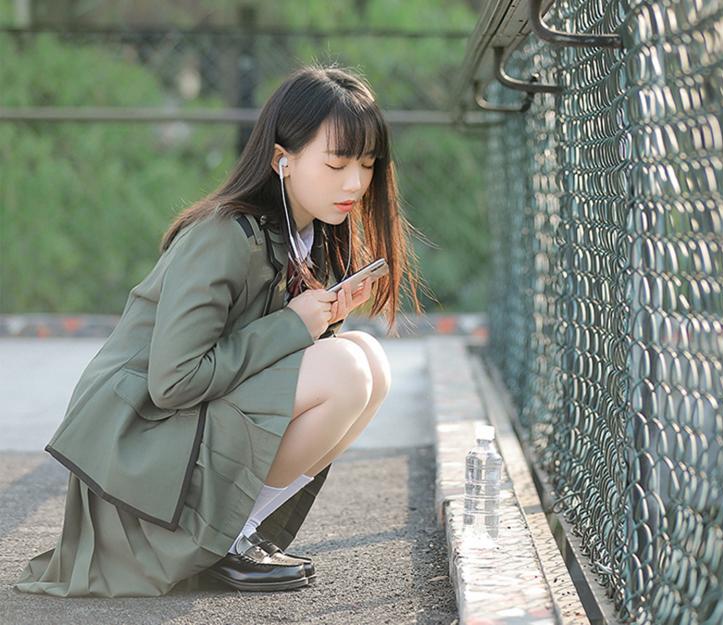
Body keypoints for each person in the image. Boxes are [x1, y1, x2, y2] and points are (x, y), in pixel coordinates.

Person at [12, 63, 423, 596]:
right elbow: (175, 381)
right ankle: (225, 540)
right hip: (139, 465)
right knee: (349, 368)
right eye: (338, 162)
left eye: (367, 165)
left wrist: (320, 317)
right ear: (283, 160)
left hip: (181, 440)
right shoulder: (223, 235)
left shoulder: (304, 235)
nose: (356, 183)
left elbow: (260, 363)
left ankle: (237, 534)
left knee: (369, 362)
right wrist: (294, 326)